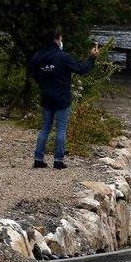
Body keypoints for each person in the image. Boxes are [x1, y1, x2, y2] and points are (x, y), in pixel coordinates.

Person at [29, 30, 99, 169]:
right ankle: (58, 161)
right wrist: (92, 57)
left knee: (45, 128)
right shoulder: (63, 57)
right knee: (61, 129)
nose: (61, 41)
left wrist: (43, 84)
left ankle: (38, 159)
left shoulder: (38, 56)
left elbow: (33, 74)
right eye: (61, 38)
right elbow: (81, 69)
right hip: (62, 98)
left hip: (46, 97)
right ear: (56, 39)